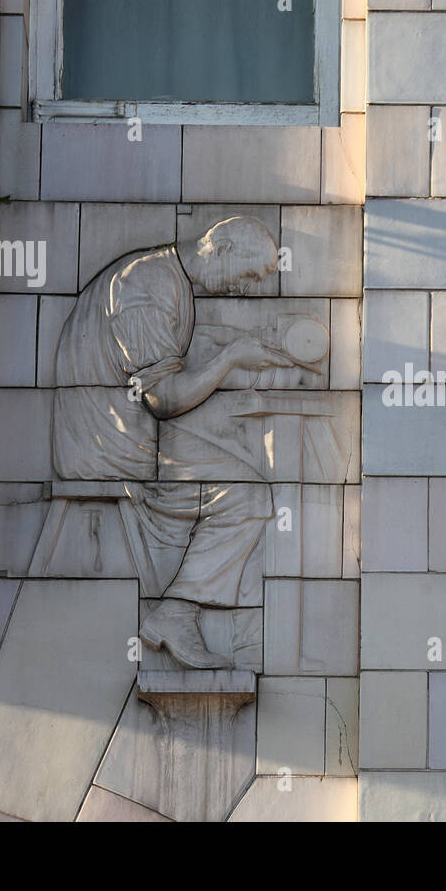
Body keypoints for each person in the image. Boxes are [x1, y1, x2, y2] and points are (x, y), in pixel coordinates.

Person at [53, 215, 296, 667]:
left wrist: (233, 348)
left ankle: (193, 610)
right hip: (108, 443)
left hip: (127, 428)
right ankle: (177, 613)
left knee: (232, 448)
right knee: (246, 494)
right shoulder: (145, 283)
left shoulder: (164, 276)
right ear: (219, 248)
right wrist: (229, 358)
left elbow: (166, 360)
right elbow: (163, 398)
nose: (243, 290)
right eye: (246, 276)